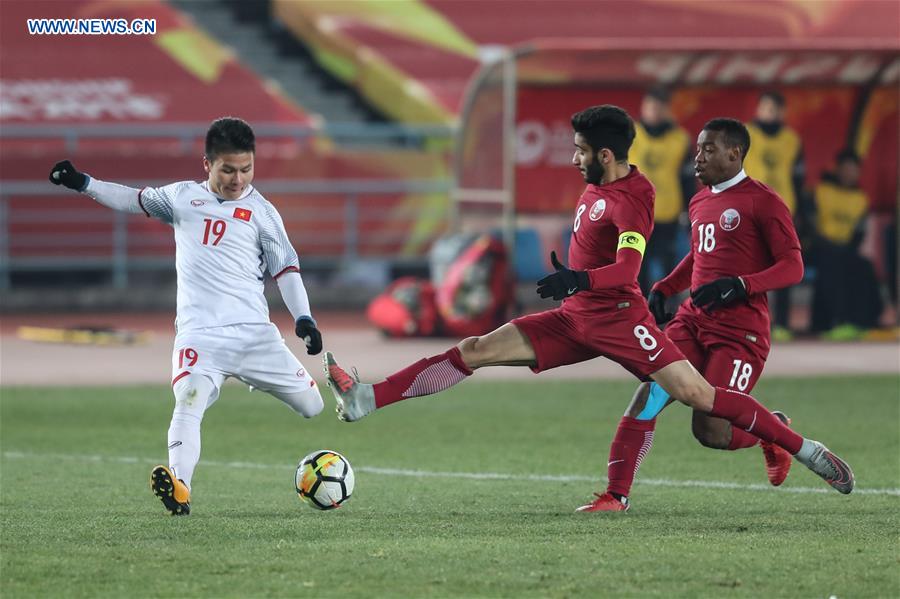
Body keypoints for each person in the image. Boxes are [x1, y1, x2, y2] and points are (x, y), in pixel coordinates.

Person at [322, 105, 855, 512]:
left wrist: (585, 277)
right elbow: (699, 254)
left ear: (603, 154)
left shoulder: (636, 199)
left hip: (625, 321)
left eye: (579, 150)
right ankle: (368, 398)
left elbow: (626, 272)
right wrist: (669, 285)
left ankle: (802, 447)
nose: (573, 157)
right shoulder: (635, 191)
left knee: (703, 404)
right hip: (578, 317)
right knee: (476, 349)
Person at [48, 117, 325, 516]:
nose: (238, 179)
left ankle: (251, 378)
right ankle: (180, 486)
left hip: (254, 337)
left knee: (312, 407)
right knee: (188, 402)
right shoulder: (181, 198)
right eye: (228, 169)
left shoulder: (263, 212)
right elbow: (132, 199)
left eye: (246, 169)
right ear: (207, 164)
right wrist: (83, 183)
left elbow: (286, 269)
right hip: (201, 336)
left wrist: (304, 320)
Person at [592, 118, 804, 511]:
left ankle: (771, 431)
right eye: (697, 148)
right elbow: (700, 255)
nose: (698, 157)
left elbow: (793, 266)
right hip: (693, 320)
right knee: (649, 392)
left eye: (708, 149)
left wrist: (742, 285)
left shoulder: (764, 201)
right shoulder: (700, 199)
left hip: (740, 333)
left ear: (734, 154)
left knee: (710, 430)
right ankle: (615, 496)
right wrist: (666, 287)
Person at [744, 91, 806, 339]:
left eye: (775, 109)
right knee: (748, 268)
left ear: (783, 112)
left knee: (786, 265)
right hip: (750, 211)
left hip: (783, 212)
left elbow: (799, 178)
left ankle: (783, 324)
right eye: (766, 107)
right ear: (758, 109)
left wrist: (801, 211)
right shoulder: (745, 134)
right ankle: (750, 323)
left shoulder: (791, 139)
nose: (770, 113)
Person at [809, 149, 883, 337]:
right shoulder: (821, 191)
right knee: (833, 261)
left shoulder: (861, 199)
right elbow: (809, 224)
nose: (850, 173)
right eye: (846, 169)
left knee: (864, 266)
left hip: (844, 249)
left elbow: (859, 233)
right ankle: (836, 320)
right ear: (838, 169)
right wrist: (826, 243)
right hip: (817, 247)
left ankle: (863, 321)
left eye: (854, 169)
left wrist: (846, 249)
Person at [631, 87, 695, 295]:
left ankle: (666, 316)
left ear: (667, 110)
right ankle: (638, 318)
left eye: (659, 108)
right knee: (637, 268)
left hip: (668, 212)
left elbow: (688, 180)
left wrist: (690, 211)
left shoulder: (680, 139)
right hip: (635, 214)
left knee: (669, 267)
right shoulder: (629, 135)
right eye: (650, 107)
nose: (654, 112)